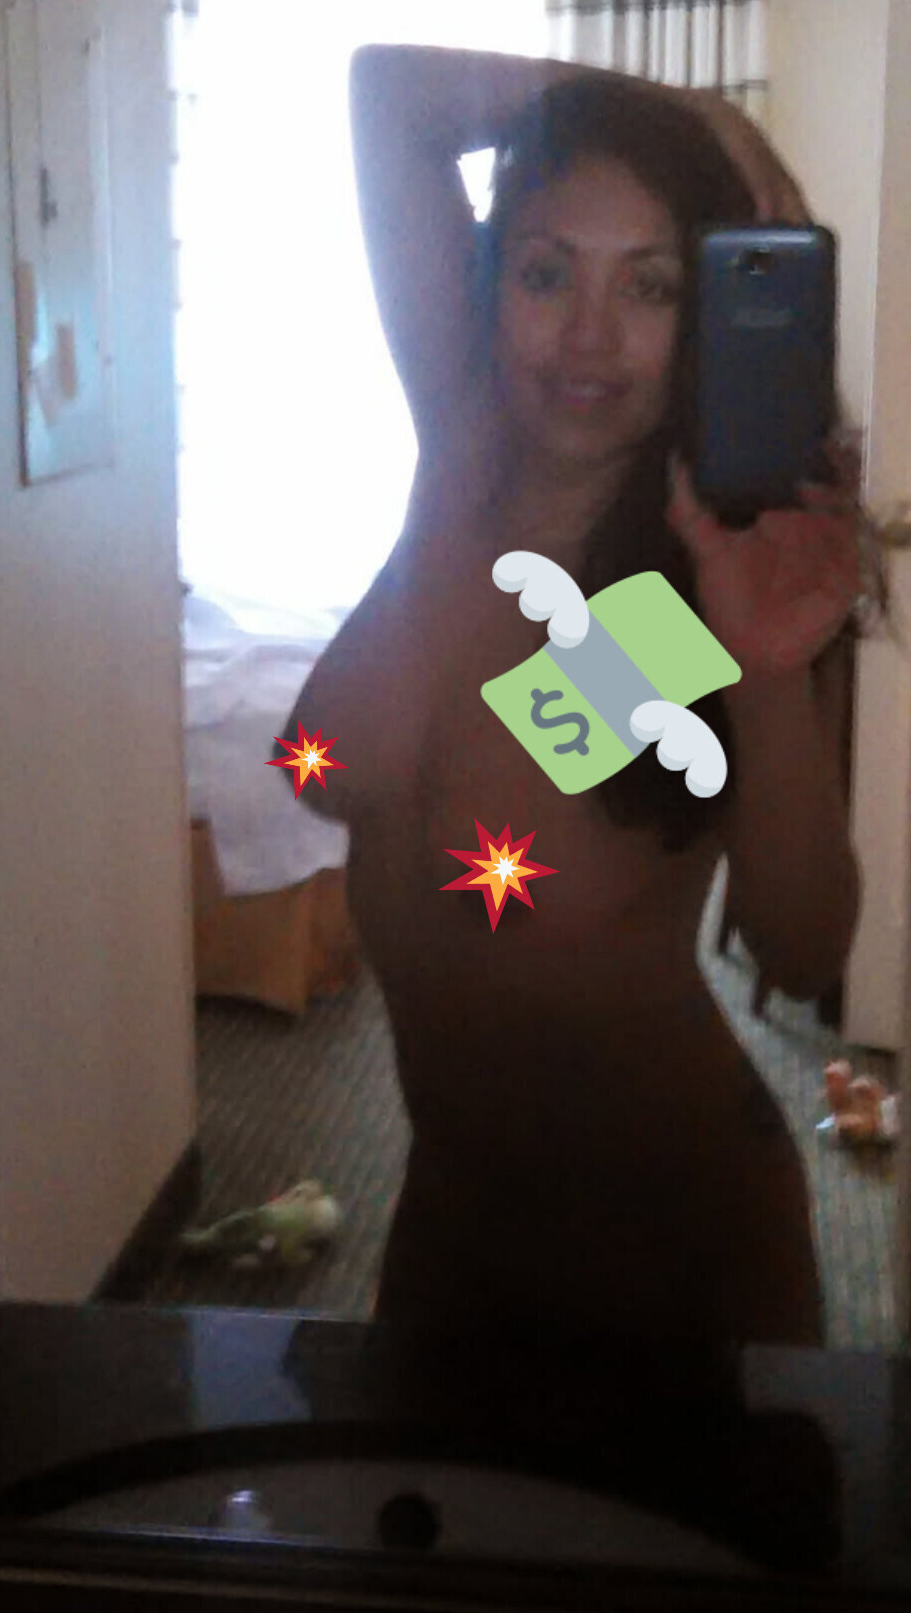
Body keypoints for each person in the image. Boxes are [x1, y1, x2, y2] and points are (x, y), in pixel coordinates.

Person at [286, 46, 873, 1391]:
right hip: (444, 1236)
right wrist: (685, 112)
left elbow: (803, 945)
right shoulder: (461, 448)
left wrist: (764, 668)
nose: (589, 339)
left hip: (676, 1269)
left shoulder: (690, 589)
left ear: (705, 320)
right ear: (494, 281)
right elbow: (389, 92)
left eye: (651, 286)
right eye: (549, 273)